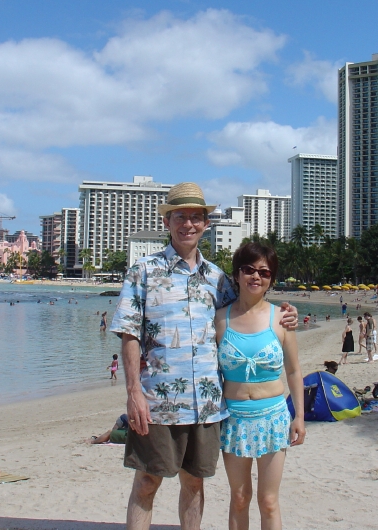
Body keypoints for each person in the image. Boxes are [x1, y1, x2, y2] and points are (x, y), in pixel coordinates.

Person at [109, 182, 298, 530]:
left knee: (194, 484)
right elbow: (129, 333)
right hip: (157, 402)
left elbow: (249, 309)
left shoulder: (217, 278)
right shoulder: (144, 271)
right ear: (167, 222)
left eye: (196, 217)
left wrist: (287, 314)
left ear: (206, 224)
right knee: (147, 482)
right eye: (180, 216)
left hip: (207, 405)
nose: (188, 224)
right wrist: (133, 391)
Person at [215, 242, 305, 530]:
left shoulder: (282, 318)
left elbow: (294, 370)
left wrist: (299, 416)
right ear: (237, 274)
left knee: (268, 501)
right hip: (234, 419)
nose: (256, 277)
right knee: (240, 497)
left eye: (264, 272)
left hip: (273, 418)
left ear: (271, 279)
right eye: (249, 270)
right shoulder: (220, 319)